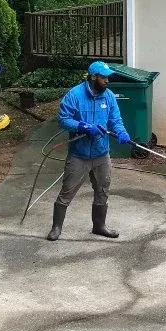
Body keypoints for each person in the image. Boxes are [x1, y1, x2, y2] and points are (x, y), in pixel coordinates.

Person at [47, 61, 132, 241]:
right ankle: (56, 227)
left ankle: (99, 226)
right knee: (67, 191)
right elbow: (63, 119)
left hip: (102, 153)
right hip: (79, 154)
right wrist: (83, 126)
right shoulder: (74, 95)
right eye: (104, 77)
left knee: (102, 190)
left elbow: (115, 120)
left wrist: (121, 132)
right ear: (93, 77)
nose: (107, 81)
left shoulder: (108, 96)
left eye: (108, 77)